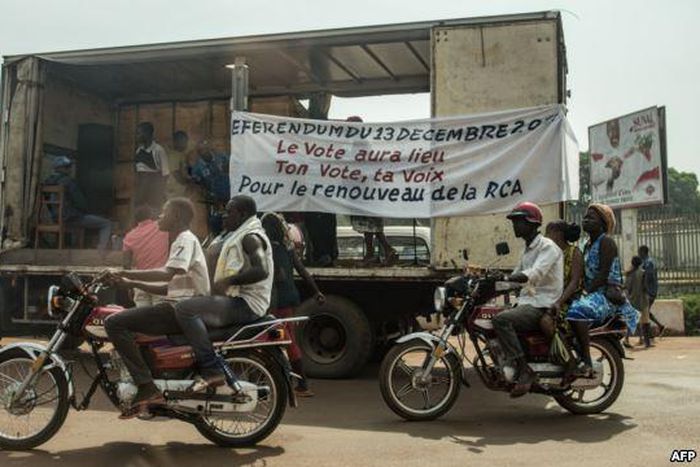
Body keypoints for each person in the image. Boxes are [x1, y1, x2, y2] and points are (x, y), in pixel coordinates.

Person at [104, 197, 210, 418]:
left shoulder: (184, 239)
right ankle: (148, 381)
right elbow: (167, 286)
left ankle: (146, 387)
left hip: (179, 310)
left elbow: (166, 274)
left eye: (164, 213)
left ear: (177, 217)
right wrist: (131, 283)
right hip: (178, 304)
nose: (160, 217)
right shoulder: (179, 240)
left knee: (113, 322)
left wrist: (125, 273)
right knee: (133, 325)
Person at [173, 195, 274, 389]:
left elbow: (261, 270)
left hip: (246, 304)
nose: (223, 216)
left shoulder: (251, 237)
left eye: (229, 212)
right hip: (235, 300)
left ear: (243, 214)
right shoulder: (232, 235)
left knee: (184, 309)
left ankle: (211, 370)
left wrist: (229, 281)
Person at [491, 202, 563, 398]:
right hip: (527, 302)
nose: (515, 226)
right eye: (514, 222)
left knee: (501, 320)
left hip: (541, 304)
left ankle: (524, 370)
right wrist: (491, 282)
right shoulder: (526, 250)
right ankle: (507, 363)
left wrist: (507, 279)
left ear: (532, 223)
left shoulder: (548, 247)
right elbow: (515, 277)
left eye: (518, 221)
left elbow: (534, 274)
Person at [566, 204, 640, 376]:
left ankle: (587, 361)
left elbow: (602, 274)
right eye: (585, 216)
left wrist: (584, 293)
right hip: (593, 292)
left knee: (577, 311)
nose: (585, 219)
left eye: (591, 217)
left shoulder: (606, 242)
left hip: (605, 294)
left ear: (603, 223)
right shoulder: (586, 244)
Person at [262, 213, 325, 397]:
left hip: (277, 301)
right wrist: (317, 292)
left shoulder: (269, 249)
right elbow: (302, 270)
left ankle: (299, 384)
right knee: (288, 340)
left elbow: (279, 275)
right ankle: (296, 383)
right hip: (290, 298)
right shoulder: (286, 247)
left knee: (280, 341)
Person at [345, 116, 398, 266]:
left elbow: (360, 167)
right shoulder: (360, 144)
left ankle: (385, 250)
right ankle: (373, 253)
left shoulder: (361, 145)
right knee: (369, 225)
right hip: (364, 190)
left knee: (370, 223)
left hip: (364, 190)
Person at [43, 156, 112, 249]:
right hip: (71, 219)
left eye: (69, 166)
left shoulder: (46, 183)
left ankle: (66, 247)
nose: (70, 169)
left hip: (55, 218)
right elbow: (80, 203)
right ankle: (101, 252)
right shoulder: (69, 182)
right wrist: (86, 211)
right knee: (106, 223)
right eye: (67, 167)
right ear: (59, 168)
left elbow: (49, 203)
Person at [540, 221, 584, 341]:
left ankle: (562, 353)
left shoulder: (574, 253)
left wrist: (559, 302)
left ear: (558, 234)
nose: (545, 237)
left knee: (546, 322)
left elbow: (574, 283)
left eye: (548, 233)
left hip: (568, 301)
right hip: (551, 299)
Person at [122, 205, 170, 307]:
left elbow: (126, 264)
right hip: (160, 281)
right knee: (159, 318)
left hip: (140, 282)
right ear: (151, 215)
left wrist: (129, 286)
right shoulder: (161, 227)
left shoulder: (129, 236)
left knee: (142, 319)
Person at [191, 140, 231, 235]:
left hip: (230, 192)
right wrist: (206, 194)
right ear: (199, 152)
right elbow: (197, 184)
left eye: (206, 149)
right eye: (201, 151)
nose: (204, 152)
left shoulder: (222, 157)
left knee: (231, 216)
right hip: (214, 196)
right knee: (214, 219)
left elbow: (235, 166)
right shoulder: (197, 167)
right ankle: (214, 236)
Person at [134, 122, 169, 210]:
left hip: (154, 190)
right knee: (140, 214)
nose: (137, 136)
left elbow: (165, 174)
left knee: (153, 214)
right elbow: (138, 173)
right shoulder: (138, 151)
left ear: (147, 133)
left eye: (139, 133)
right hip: (141, 190)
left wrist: (159, 193)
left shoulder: (159, 150)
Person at [625, 256, 652, 348]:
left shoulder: (629, 274)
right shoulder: (643, 273)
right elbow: (645, 287)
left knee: (632, 321)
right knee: (645, 322)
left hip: (632, 300)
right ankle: (646, 342)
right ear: (640, 263)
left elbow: (627, 288)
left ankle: (627, 339)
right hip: (643, 300)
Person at [639, 245, 666, 337]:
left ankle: (649, 334)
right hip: (649, 291)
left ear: (643, 252)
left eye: (639, 252)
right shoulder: (646, 262)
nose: (638, 254)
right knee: (646, 312)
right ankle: (658, 327)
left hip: (650, 291)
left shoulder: (649, 262)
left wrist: (644, 288)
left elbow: (648, 276)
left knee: (644, 312)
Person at [166, 130, 192, 198]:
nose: (186, 143)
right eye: (183, 141)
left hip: (180, 192)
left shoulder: (181, 155)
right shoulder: (173, 155)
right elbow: (176, 173)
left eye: (186, 141)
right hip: (174, 193)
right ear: (176, 142)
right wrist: (187, 183)